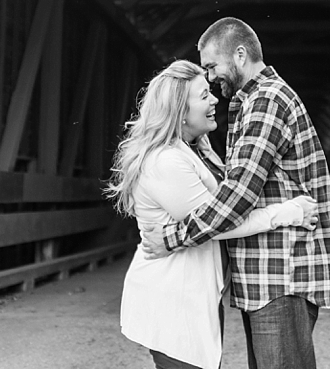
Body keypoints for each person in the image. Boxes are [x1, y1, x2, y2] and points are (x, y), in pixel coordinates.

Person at [141, 18, 330, 369]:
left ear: (239, 54)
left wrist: (171, 237)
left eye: (212, 66)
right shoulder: (249, 103)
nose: (211, 76)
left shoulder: (266, 101)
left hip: (281, 273)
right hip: (268, 275)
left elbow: (238, 195)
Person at [106, 60, 318, 369]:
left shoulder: (191, 150)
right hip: (173, 302)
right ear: (180, 108)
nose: (214, 99)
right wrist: (286, 212)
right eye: (204, 95)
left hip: (190, 298)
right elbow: (217, 223)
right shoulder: (166, 161)